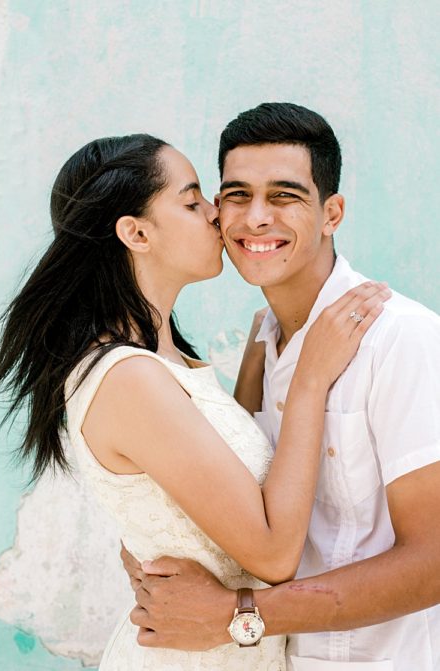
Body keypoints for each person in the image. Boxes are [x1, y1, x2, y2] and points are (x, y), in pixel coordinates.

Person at [0, 132, 389, 669]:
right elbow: (273, 553)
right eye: (192, 199)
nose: (215, 215)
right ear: (135, 233)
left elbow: (233, 473)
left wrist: (260, 365)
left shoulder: (165, 361)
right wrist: (310, 379)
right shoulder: (128, 377)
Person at [121, 103, 440, 669]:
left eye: (285, 196)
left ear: (331, 213)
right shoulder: (261, 345)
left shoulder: (400, 339)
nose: (256, 218)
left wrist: (239, 614)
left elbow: (434, 561)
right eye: (238, 195)